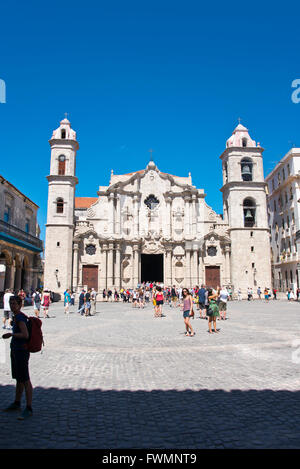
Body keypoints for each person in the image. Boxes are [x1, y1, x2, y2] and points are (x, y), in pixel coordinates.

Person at [2, 295, 33, 420]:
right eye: (11, 303)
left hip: (21, 351)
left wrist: (11, 334)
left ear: (20, 305)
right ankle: (17, 402)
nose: (12, 306)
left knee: (25, 379)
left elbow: (25, 335)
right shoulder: (17, 317)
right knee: (19, 379)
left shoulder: (20, 318)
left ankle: (29, 407)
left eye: (15, 303)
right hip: (16, 350)